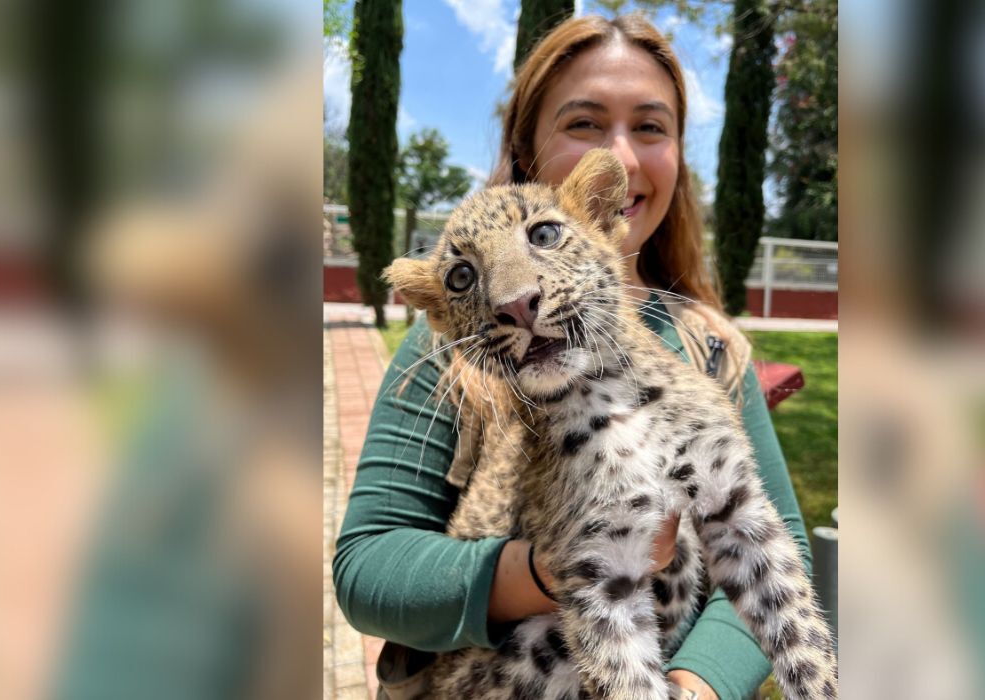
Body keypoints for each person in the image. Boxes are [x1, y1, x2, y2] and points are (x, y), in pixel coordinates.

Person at [334, 14, 813, 700]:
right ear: (528, 152)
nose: (620, 156)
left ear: (678, 154)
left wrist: (694, 686)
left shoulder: (714, 351)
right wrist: (551, 571)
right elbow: (368, 567)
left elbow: (773, 545)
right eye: (585, 123)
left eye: (651, 127)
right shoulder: (459, 345)